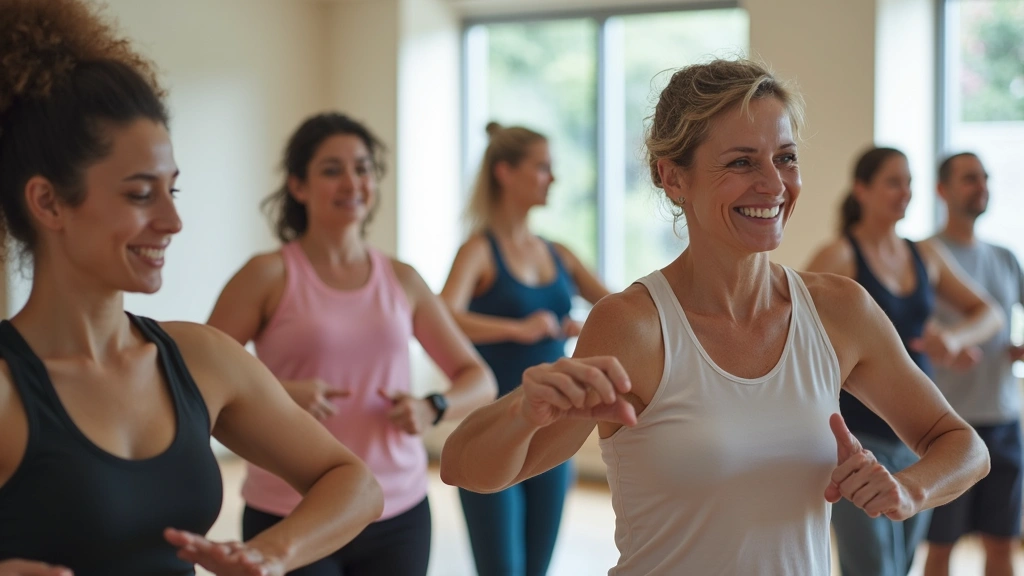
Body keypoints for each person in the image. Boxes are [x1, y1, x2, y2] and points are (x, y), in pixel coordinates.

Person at [439, 59, 992, 576]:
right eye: (742, 162)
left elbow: (961, 444)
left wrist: (909, 489)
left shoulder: (839, 311)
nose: (774, 184)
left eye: (785, 157)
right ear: (673, 178)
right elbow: (463, 467)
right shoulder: (634, 327)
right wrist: (523, 410)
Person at [0, 1, 384, 575]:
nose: (172, 221)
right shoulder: (8, 388)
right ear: (49, 202)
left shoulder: (200, 360)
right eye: (139, 194)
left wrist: (270, 553)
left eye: (171, 191)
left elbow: (355, 483)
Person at [207, 112, 496, 576]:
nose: (352, 182)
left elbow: (479, 378)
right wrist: (280, 394)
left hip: (398, 509)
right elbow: (202, 379)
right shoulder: (266, 275)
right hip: (293, 509)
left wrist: (433, 406)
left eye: (363, 168)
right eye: (331, 170)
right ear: (298, 186)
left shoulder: (403, 279)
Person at [805, 146, 1004, 576]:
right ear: (861, 189)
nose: (906, 193)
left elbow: (989, 312)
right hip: (858, 438)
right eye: (894, 182)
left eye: (910, 183)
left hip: (917, 442)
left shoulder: (923, 254)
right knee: (874, 569)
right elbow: (795, 336)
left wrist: (952, 338)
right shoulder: (840, 256)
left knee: (902, 566)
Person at [440, 122, 610, 575]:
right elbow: (442, 315)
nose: (552, 178)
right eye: (542, 167)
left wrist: (586, 326)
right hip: (494, 428)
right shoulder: (479, 250)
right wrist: (516, 329)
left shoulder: (559, 253)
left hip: (552, 427)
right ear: (505, 172)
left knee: (537, 568)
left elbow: (622, 306)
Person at [922, 152, 1024, 576]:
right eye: (969, 179)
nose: (981, 186)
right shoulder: (925, 255)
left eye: (984, 178)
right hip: (948, 427)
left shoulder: (1004, 257)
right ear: (942, 190)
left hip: (1003, 422)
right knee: (941, 548)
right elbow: (906, 327)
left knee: (1002, 545)